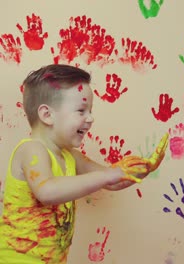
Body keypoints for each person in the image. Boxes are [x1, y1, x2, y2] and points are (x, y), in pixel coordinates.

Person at [0, 64, 169, 263]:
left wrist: (142, 169)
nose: (90, 118)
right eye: (81, 111)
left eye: (90, 110)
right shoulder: (31, 150)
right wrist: (109, 174)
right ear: (47, 115)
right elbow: (46, 192)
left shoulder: (71, 156)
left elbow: (113, 180)